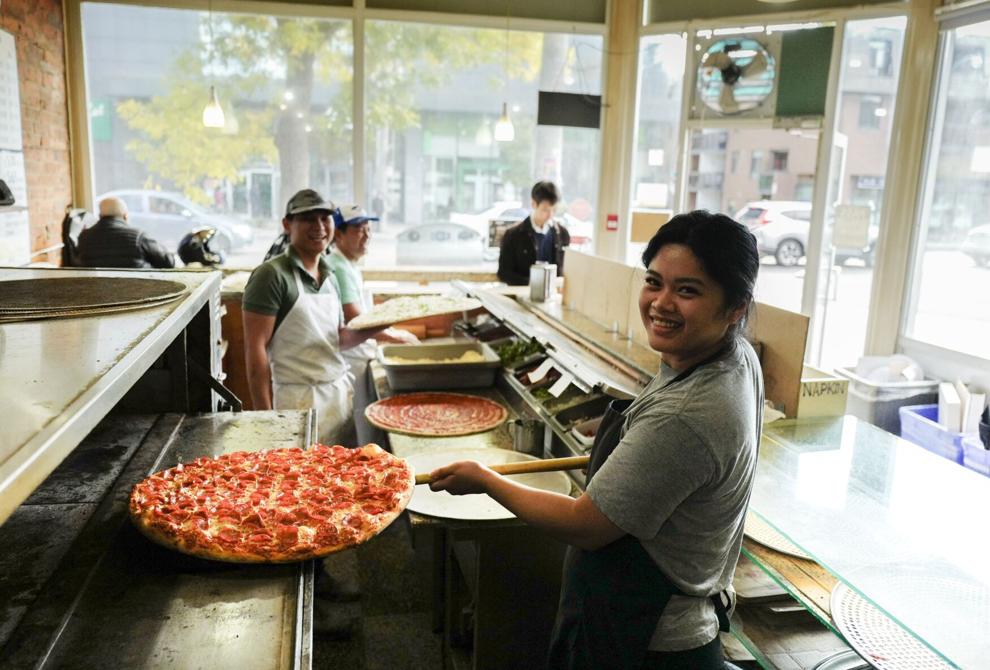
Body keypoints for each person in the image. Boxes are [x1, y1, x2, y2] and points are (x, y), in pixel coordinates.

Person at [430, 210, 764, 669]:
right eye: (654, 281)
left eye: (687, 290)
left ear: (735, 307)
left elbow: (584, 524)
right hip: (650, 620)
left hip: (644, 642)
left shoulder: (685, 416)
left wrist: (485, 479)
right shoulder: (736, 356)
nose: (661, 303)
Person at [242, 189, 382, 446]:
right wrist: (264, 419)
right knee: (303, 482)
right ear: (287, 225)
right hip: (297, 402)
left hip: (337, 399)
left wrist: (382, 324)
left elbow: (339, 338)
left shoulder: (329, 275)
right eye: (308, 219)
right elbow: (255, 349)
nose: (319, 226)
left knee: (343, 482)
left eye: (324, 218)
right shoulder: (271, 275)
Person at [329, 204, 418, 444]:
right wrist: (393, 335)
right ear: (338, 234)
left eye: (369, 229)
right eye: (359, 229)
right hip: (352, 363)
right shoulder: (338, 266)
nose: (367, 236)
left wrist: (391, 331)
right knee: (357, 435)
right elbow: (356, 318)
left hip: (359, 359)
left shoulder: (349, 265)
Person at [497, 180, 571, 286]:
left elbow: (564, 269)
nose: (550, 215)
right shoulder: (513, 235)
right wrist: (533, 284)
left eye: (554, 210)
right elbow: (504, 273)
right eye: (545, 210)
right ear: (533, 204)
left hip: (553, 297)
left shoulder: (563, 234)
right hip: (522, 295)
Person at [77, 196, 175, 269]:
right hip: (137, 293)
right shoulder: (138, 236)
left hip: (97, 294)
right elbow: (168, 263)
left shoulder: (84, 237)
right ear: (125, 216)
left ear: (100, 216)